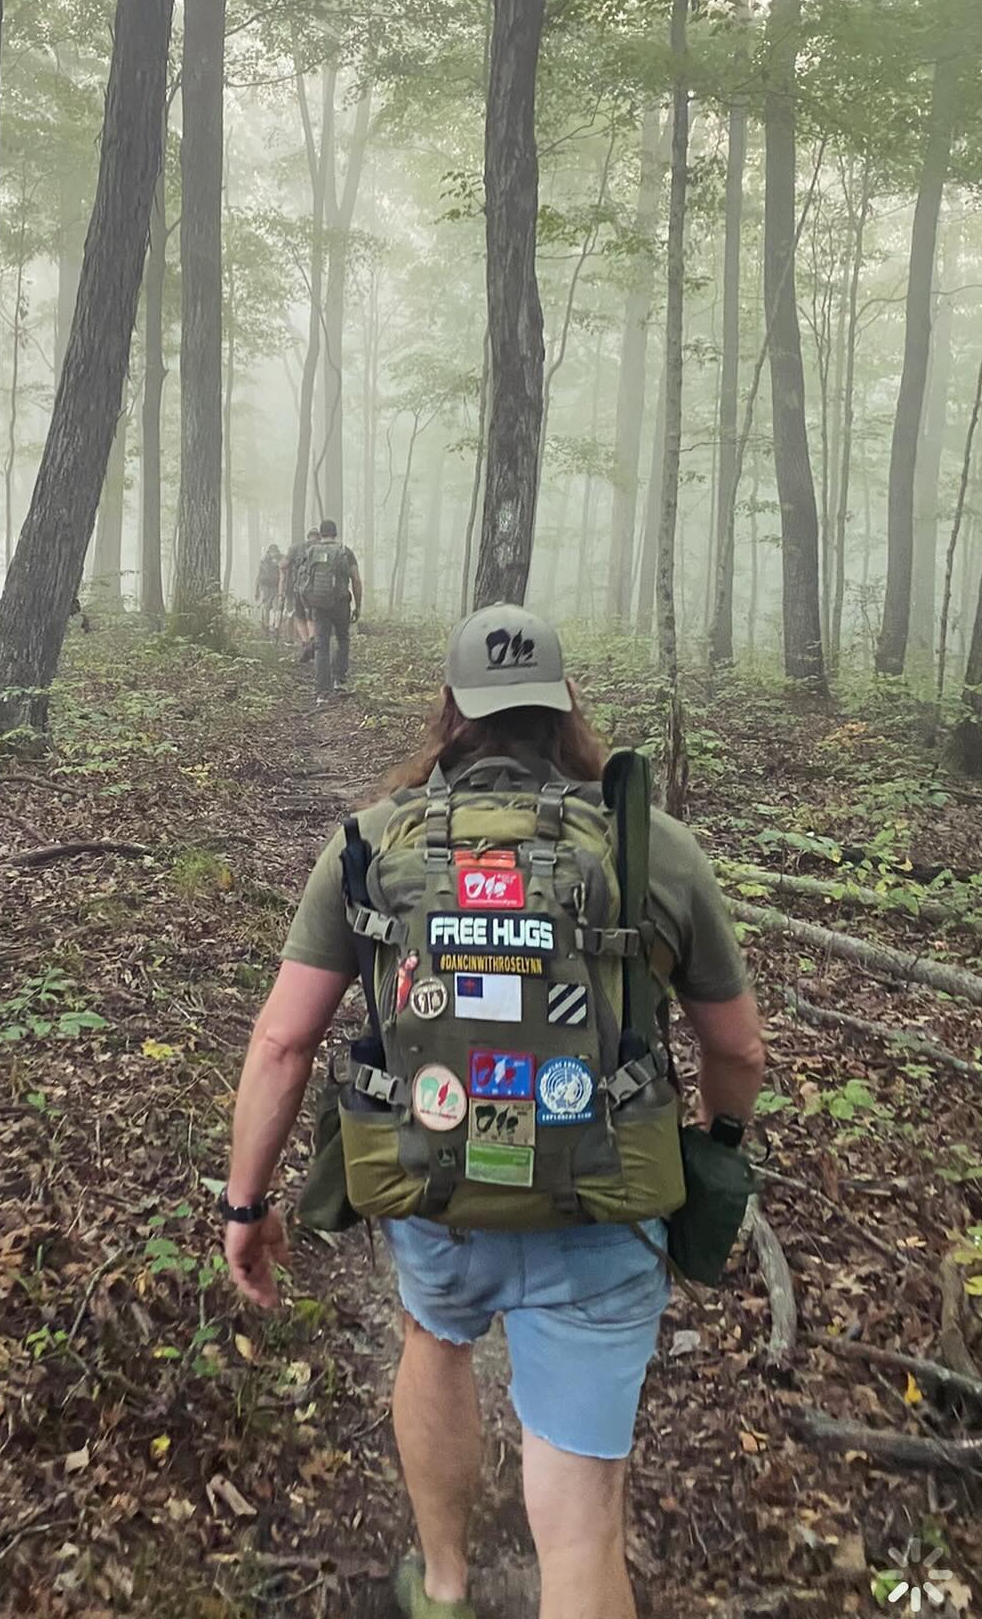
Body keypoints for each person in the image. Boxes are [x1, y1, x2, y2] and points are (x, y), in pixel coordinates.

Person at [219, 604, 765, 1619]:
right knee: (583, 1518)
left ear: (452, 711)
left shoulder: (371, 844)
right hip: (601, 1205)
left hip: (434, 1181)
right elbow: (737, 1046)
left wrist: (248, 1207)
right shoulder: (652, 847)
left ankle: (443, 1583)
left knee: (435, 1337)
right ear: (564, 705)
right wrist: (719, 1141)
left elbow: (282, 1042)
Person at [298, 518, 361, 699]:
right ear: (335, 533)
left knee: (321, 644)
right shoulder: (344, 552)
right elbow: (356, 580)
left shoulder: (311, 552)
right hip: (341, 603)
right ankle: (339, 680)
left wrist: (306, 603)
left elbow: (302, 579)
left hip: (318, 605)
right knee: (342, 639)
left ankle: (321, 691)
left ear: (321, 533)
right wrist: (358, 605)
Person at [282, 527, 321, 654]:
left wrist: (282, 584)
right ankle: (312, 639)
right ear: (319, 537)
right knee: (311, 616)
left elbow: (283, 565)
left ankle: (305, 643)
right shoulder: (323, 548)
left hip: (300, 588)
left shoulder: (296, 548)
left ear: (308, 536)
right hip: (318, 589)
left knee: (300, 616)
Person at [256, 545, 282, 634]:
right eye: (272, 551)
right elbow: (259, 576)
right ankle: (266, 625)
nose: (274, 553)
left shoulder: (279, 559)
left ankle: (275, 626)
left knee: (276, 607)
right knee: (266, 606)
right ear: (269, 552)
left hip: (276, 586)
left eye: (275, 551)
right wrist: (257, 589)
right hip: (266, 586)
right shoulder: (264, 561)